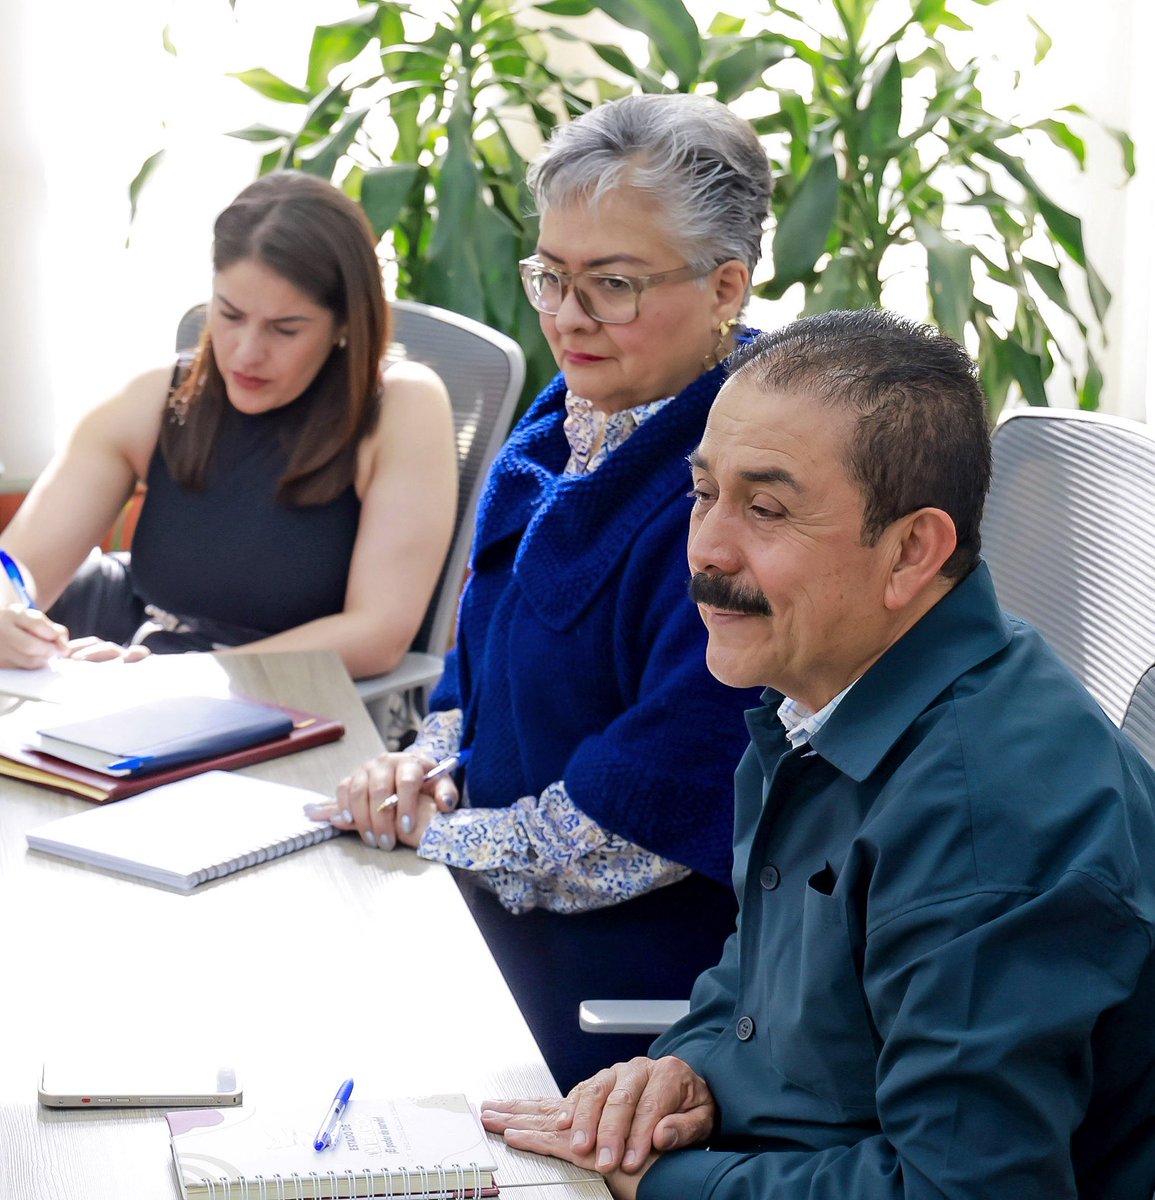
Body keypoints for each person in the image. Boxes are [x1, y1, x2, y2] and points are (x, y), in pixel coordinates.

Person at [479, 309, 1155, 1198]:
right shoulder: (822, 689)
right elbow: (761, 975)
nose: (706, 548)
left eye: (765, 508)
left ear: (912, 549)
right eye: (701, 492)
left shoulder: (979, 818)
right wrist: (686, 1069)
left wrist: (658, 1183)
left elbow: (957, 1191)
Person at [325, 93, 773, 1089]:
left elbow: (633, 832)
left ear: (726, 288)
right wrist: (426, 767)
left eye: (612, 284)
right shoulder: (564, 418)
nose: (569, 318)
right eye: (553, 277)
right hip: (480, 919)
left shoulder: (744, 498)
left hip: (616, 1005)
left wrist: (421, 831)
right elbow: (470, 676)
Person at [0, 171, 456, 679]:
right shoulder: (158, 397)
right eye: (230, 314)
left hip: (275, 702)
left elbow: (378, 635)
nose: (247, 352)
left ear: (345, 323)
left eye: (285, 329)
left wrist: (175, 677)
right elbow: (17, 565)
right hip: (127, 666)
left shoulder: (401, 405)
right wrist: (6, 614)